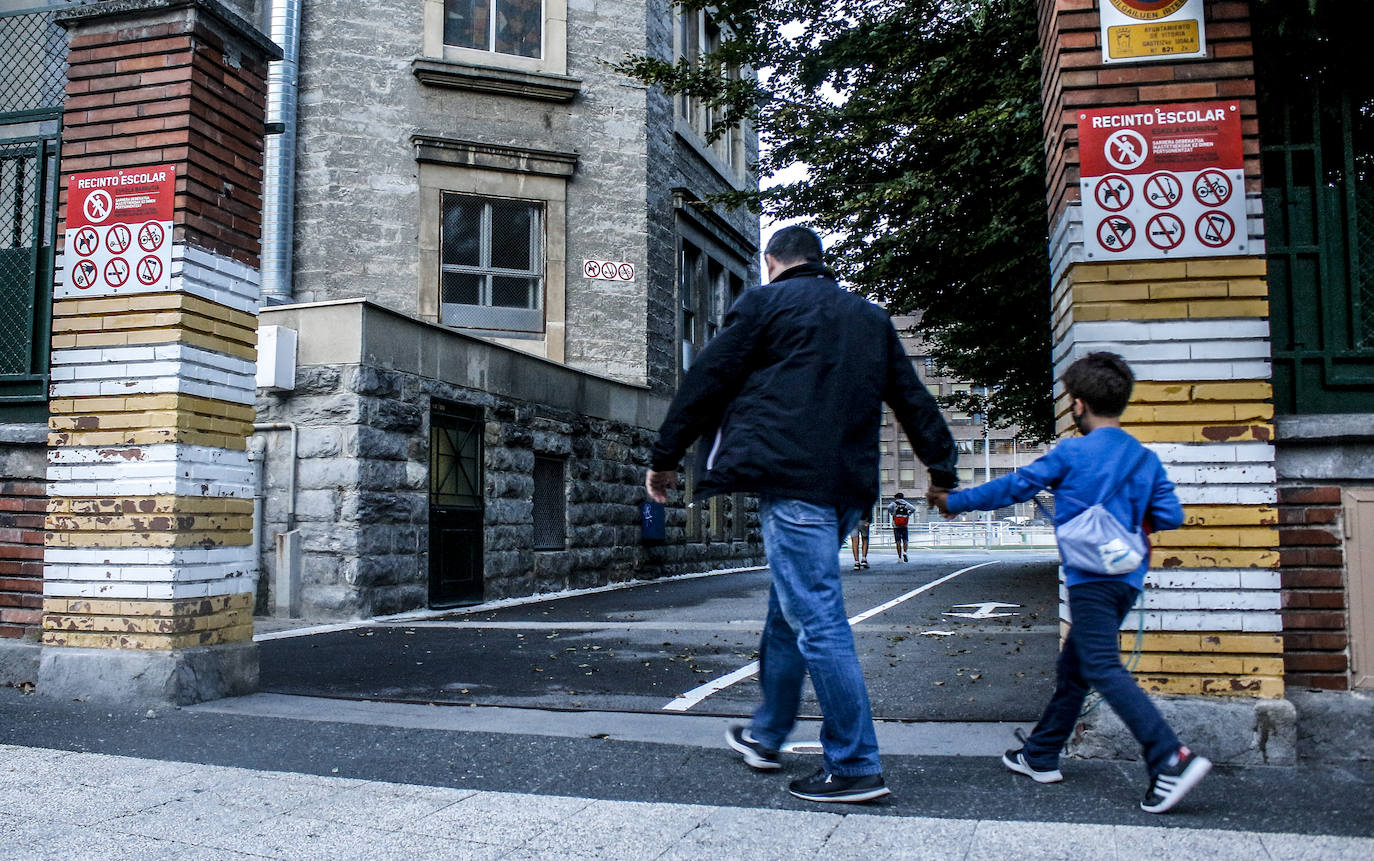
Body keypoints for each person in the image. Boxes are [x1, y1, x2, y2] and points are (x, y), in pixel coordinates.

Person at [645, 226, 957, 803]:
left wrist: (665, 460)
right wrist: (941, 470)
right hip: (847, 490)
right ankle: (767, 736)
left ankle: (856, 765)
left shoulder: (764, 304)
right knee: (787, 613)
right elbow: (913, 397)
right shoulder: (868, 318)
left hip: (794, 487)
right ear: (820, 262)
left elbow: (705, 382)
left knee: (817, 620)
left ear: (772, 263)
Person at [927, 352, 1211, 814]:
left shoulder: (1072, 453)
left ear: (1078, 405)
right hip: (1126, 577)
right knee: (1076, 669)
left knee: (1100, 666)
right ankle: (1040, 753)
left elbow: (1015, 487)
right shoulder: (1144, 458)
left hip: (1089, 579)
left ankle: (1169, 758)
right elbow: (1170, 516)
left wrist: (955, 501)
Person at [887, 493, 916, 561]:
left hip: (896, 525)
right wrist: (909, 514)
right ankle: (905, 552)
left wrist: (892, 513)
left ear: (896, 497)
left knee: (898, 541)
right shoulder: (906, 503)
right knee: (905, 540)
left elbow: (888, 507)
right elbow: (913, 509)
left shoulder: (894, 504)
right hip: (904, 525)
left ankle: (899, 557)